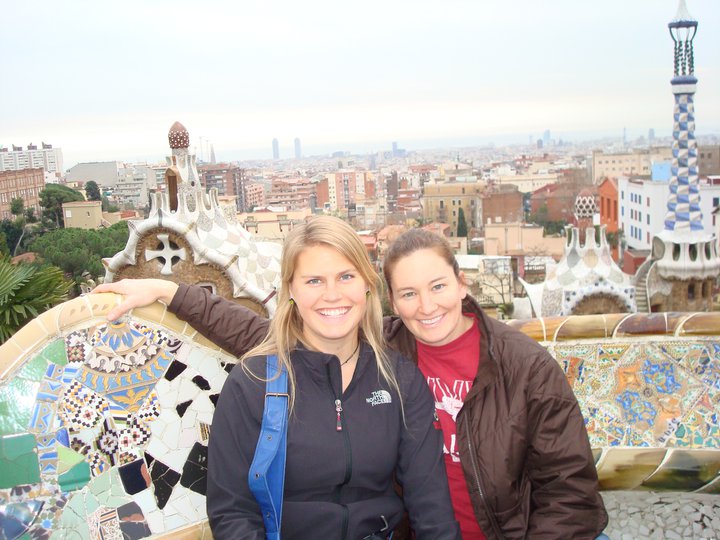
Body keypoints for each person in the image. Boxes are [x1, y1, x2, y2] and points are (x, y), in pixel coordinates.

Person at [97, 226, 608, 539]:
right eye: (409, 294)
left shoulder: (519, 367)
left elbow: (570, 493)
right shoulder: (386, 350)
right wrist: (169, 291)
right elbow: (270, 337)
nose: (426, 306)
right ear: (390, 299)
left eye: (438, 286)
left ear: (462, 284)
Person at [96, 217, 460, 540]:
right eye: (314, 280)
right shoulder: (254, 383)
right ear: (291, 291)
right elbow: (232, 512)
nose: (332, 294)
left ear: (367, 284)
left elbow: (430, 506)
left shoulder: (399, 380)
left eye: (346, 276)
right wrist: (167, 291)